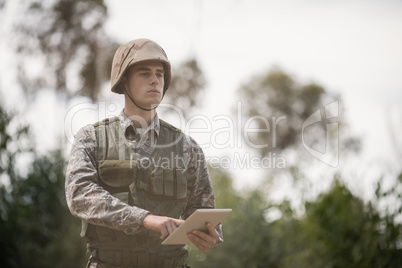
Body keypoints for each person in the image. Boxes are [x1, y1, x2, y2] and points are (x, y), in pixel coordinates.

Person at [65, 38, 223, 268]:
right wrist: (145, 219)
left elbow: (204, 211)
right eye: (144, 73)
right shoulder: (92, 138)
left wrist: (212, 234)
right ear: (123, 80)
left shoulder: (187, 147)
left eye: (160, 74)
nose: (154, 80)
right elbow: (80, 195)